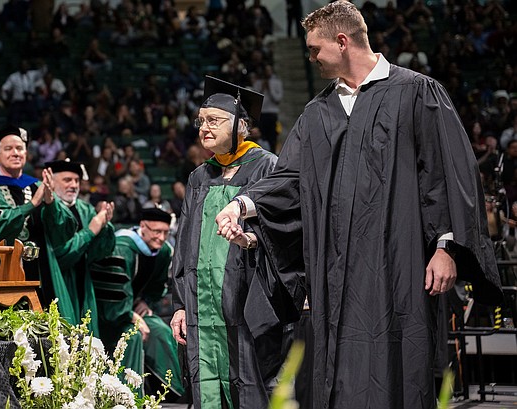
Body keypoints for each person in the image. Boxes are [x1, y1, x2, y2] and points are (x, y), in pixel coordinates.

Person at [215, 2, 504, 408]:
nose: (311, 57)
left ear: (342, 41)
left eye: (316, 49)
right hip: (335, 275)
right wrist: (242, 204)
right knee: (338, 371)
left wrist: (446, 247)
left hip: (399, 267)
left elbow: (446, 173)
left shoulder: (416, 93)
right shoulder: (318, 112)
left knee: (400, 365)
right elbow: (289, 179)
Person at [171, 76, 300, 409]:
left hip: (247, 304)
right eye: (201, 121)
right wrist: (180, 304)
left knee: (251, 384)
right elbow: (184, 245)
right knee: (206, 385)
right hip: (202, 308)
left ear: (241, 126)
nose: (204, 128)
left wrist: (253, 239)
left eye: (214, 120)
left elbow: (288, 228)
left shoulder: (267, 167)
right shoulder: (199, 177)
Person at [92, 207, 184, 397]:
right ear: (143, 226)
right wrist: (131, 315)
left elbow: (157, 286)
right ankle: (127, 396)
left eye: (166, 233)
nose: (161, 237)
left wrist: (145, 301)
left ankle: (168, 392)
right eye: (156, 232)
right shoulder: (121, 247)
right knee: (134, 336)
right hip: (107, 314)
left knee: (161, 331)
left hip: (129, 308)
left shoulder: (164, 251)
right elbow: (110, 291)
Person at [0, 125, 54, 282]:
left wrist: (51, 203)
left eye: (20, 148)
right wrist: (32, 204)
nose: (15, 153)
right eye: (9, 148)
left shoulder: (38, 186)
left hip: (41, 270)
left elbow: (61, 232)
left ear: (26, 153)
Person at [42, 159, 115, 335]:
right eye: (67, 180)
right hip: (57, 280)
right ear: (52, 181)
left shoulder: (85, 208)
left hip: (83, 281)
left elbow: (99, 252)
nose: (74, 185)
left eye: (76, 180)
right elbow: (61, 255)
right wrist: (91, 230)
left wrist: (104, 226)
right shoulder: (47, 209)